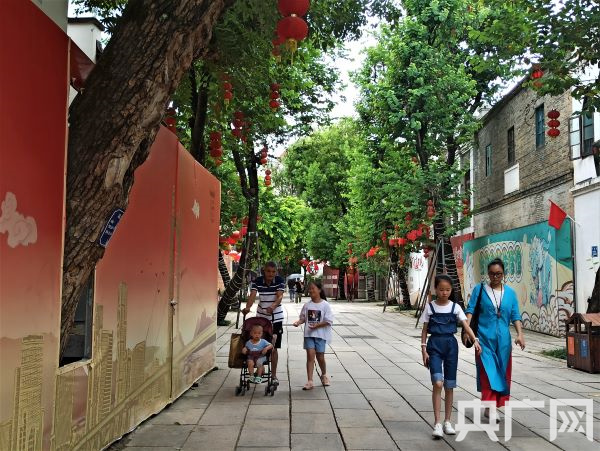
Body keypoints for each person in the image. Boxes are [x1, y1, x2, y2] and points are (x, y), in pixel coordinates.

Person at [421, 275, 481, 438]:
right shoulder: (430, 307)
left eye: (447, 290)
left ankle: (447, 421)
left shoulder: (455, 307)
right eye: (441, 289)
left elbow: (466, 325)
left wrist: (475, 340)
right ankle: (437, 423)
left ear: (451, 290)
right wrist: (423, 349)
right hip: (434, 346)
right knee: (437, 382)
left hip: (451, 347)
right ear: (436, 289)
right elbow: (424, 330)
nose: (444, 293)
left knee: (449, 385)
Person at [466, 258, 525, 421]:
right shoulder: (479, 290)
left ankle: (489, 407)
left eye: (498, 274)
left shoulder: (510, 293)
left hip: (504, 342)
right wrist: (467, 330)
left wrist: (520, 334)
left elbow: (515, 315)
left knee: (501, 372)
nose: (495, 277)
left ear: (503, 274)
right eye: (492, 274)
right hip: (483, 338)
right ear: (488, 274)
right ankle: (491, 408)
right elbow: (470, 310)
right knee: (487, 372)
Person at [242, 262, 285, 385]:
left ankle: (274, 375)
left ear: (276, 272)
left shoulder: (279, 280)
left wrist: (273, 306)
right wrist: (247, 307)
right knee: (257, 344)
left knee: (274, 348)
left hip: (276, 318)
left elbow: (279, 296)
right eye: (268, 271)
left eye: (273, 271)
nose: (271, 274)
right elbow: (253, 295)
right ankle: (259, 367)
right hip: (261, 319)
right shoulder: (258, 281)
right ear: (264, 271)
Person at [293, 281, 334, 390]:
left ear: (319, 290)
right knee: (310, 356)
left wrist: (317, 325)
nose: (310, 290)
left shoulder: (325, 305)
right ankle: (310, 381)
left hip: (320, 335)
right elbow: (303, 318)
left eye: (313, 288)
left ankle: (324, 374)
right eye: (309, 288)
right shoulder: (307, 305)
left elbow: (329, 321)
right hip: (309, 334)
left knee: (320, 357)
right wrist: (298, 322)